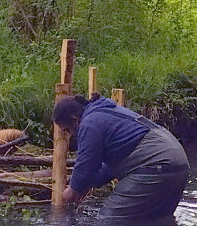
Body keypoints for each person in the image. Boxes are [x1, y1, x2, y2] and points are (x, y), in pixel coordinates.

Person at [53, 93, 189, 219]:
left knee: (110, 221)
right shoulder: (106, 113)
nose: (70, 135)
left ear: (74, 120)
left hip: (155, 163)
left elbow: (86, 164)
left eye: (67, 130)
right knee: (156, 220)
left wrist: (73, 189)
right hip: (178, 160)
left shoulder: (89, 124)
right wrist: (88, 184)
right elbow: (111, 166)